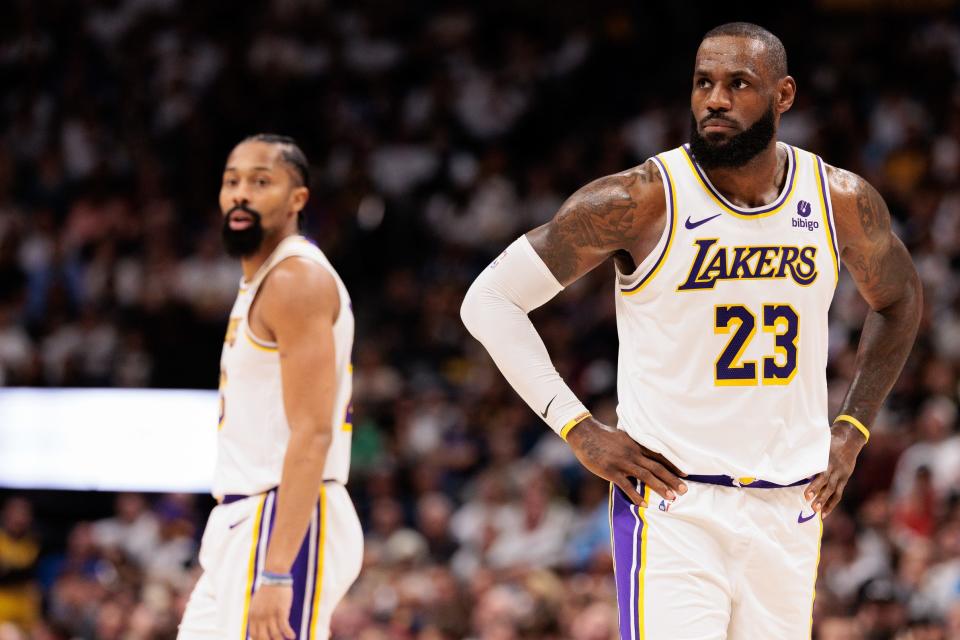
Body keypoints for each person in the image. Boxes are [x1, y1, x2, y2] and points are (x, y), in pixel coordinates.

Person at [461, 22, 922, 639]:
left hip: (789, 507)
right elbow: (489, 299)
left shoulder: (838, 199)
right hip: (676, 506)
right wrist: (577, 428)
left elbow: (901, 298)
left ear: (783, 96)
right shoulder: (640, 199)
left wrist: (853, 428)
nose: (716, 100)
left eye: (739, 84)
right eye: (704, 83)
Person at [178, 134, 362, 640]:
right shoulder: (262, 280)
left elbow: (313, 433)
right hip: (243, 521)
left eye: (261, 182)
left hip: (282, 518)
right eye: (232, 181)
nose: (241, 194)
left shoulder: (294, 280)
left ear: (297, 199)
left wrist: (278, 568)